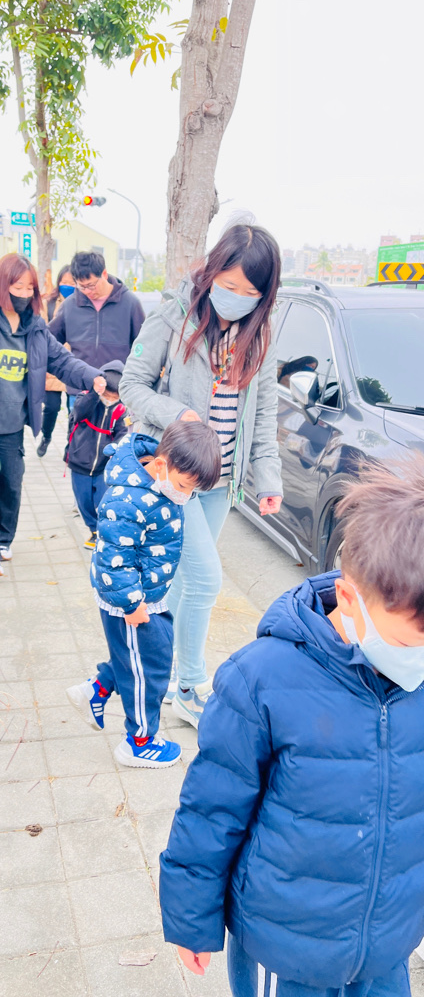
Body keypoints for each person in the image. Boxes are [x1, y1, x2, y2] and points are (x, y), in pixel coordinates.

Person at [159, 457, 424, 997]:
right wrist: (191, 917)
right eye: (405, 643)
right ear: (348, 599)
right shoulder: (261, 680)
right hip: (286, 945)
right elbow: (212, 808)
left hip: (387, 939)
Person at [120, 223, 283, 728]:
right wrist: (178, 415)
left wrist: (268, 479)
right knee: (206, 580)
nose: (235, 299)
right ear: (211, 273)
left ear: (263, 296)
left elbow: (264, 414)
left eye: (248, 293)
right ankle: (190, 685)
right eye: (228, 286)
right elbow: (131, 385)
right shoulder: (174, 313)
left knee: (177, 581)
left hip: (221, 483)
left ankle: (159, 673)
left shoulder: (260, 333)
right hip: (176, 478)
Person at [0, 253, 106, 579]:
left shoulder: (34, 326)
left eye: (30, 288)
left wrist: (92, 377)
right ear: (1, 285)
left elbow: (60, 361)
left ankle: (2, 540)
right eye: (18, 287)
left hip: (11, 422)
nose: (25, 294)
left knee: (10, 487)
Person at [65, 421, 221, 769]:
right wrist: (132, 604)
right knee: (146, 672)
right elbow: (114, 559)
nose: (185, 496)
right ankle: (139, 741)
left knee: (144, 658)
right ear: (161, 465)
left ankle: (97, 690)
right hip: (131, 601)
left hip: (149, 594)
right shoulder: (127, 499)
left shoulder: (160, 484)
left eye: (192, 491)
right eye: (183, 486)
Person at [49, 251, 145, 410]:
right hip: (81, 391)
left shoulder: (130, 303)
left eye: (91, 285)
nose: (87, 291)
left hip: (117, 392)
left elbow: (143, 347)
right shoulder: (69, 305)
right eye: (82, 286)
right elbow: (50, 342)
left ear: (104, 274)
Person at [66, 360, 128, 550]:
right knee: (84, 502)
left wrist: (116, 449)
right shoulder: (85, 398)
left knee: (103, 500)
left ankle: (104, 532)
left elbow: (123, 432)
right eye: (107, 395)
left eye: (115, 396)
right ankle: (93, 530)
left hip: (104, 465)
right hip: (80, 461)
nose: (110, 399)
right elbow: (78, 413)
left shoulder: (121, 409)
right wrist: (95, 394)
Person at [37, 264, 76, 457]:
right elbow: (42, 331)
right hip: (53, 364)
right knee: (51, 407)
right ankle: (46, 436)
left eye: (71, 283)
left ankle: (70, 445)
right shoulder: (48, 303)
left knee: (74, 411)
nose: (67, 286)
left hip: (74, 364)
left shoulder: (83, 305)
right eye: (64, 282)